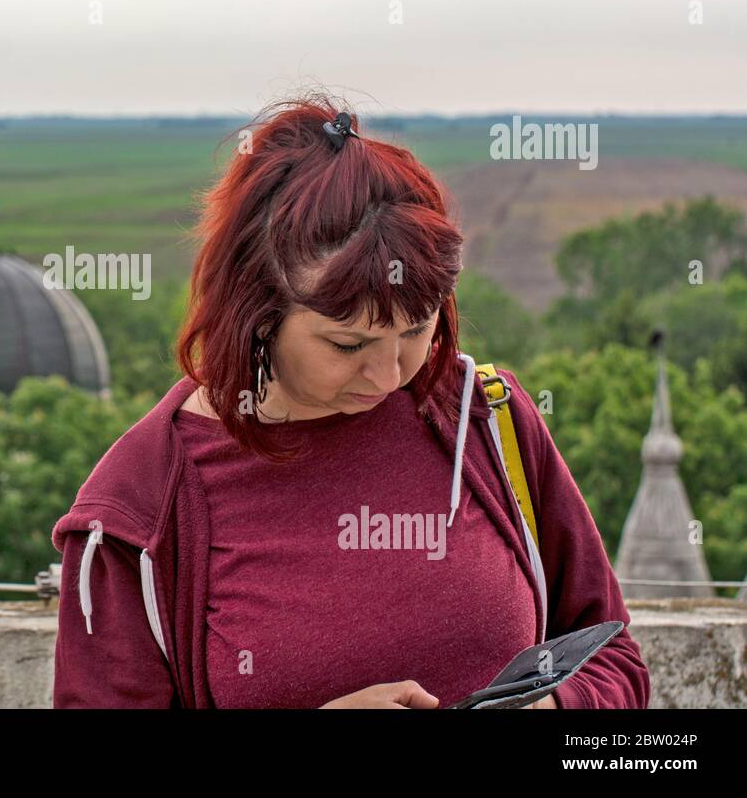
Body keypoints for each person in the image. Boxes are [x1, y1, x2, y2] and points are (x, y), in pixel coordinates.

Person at [50, 95, 650, 708]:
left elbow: (613, 655)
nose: (388, 374)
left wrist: (555, 708)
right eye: (348, 343)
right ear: (255, 315)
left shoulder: (485, 418)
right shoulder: (134, 512)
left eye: (417, 330)